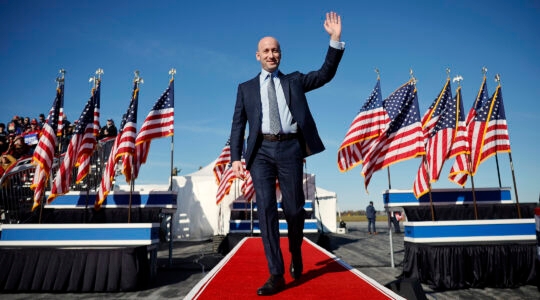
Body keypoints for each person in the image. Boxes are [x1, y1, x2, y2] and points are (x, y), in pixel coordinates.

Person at [229, 12, 344, 296]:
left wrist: (334, 40)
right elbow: (238, 124)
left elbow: (325, 74)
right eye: (266, 50)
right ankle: (276, 273)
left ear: (281, 54)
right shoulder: (245, 89)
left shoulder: (294, 81)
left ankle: (295, 250)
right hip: (260, 153)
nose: (271, 54)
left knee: (293, 209)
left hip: (291, 148)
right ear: (258, 55)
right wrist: (235, 158)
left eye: (275, 50)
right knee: (266, 209)